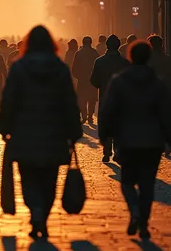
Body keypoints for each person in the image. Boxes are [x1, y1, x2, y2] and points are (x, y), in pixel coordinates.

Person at [0, 25, 82, 240]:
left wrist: (4, 128)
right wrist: (74, 131)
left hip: (24, 134)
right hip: (54, 135)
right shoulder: (60, 68)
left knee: (28, 177)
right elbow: (69, 103)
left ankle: (34, 208)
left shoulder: (19, 68)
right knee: (49, 179)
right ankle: (42, 215)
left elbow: (9, 101)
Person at [100, 40, 171, 239]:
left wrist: (105, 134)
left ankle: (134, 211)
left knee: (128, 181)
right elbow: (166, 114)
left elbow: (108, 111)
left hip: (127, 139)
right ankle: (144, 222)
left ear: (130, 56)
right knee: (147, 184)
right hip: (153, 141)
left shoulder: (119, 81)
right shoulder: (158, 84)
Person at [90, 34, 129, 163]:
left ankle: (106, 152)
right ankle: (118, 151)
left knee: (106, 124)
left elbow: (94, 81)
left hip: (105, 98)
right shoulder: (124, 63)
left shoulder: (99, 61)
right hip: (121, 100)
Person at [72, 36, 99, 125]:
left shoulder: (78, 53)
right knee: (91, 99)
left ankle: (84, 115)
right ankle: (90, 116)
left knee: (82, 99)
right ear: (91, 43)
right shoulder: (95, 53)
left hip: (82, 80)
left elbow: (74, 68)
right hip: (92, 80)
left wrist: (78, 77)